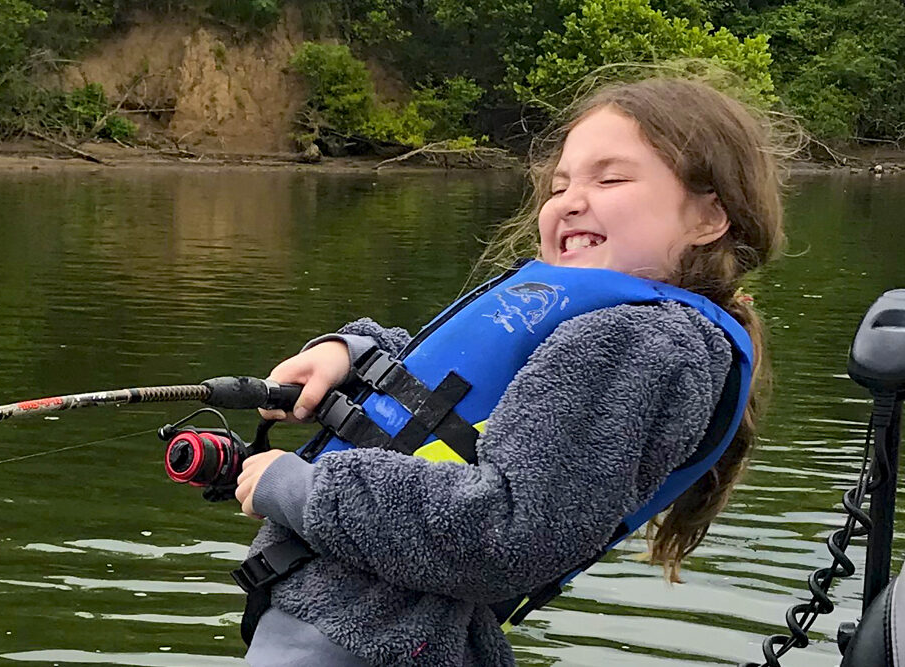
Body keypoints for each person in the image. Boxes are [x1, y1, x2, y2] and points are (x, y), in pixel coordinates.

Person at [233, 76, 786, 666]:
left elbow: (510, 532)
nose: (570, 200)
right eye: (559, 184)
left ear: (709, 217)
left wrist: (300, 488)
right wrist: (355, 356)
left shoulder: (638, 340)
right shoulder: (609, 330)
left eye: (611, 178)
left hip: (369, 645)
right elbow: (463, 399)